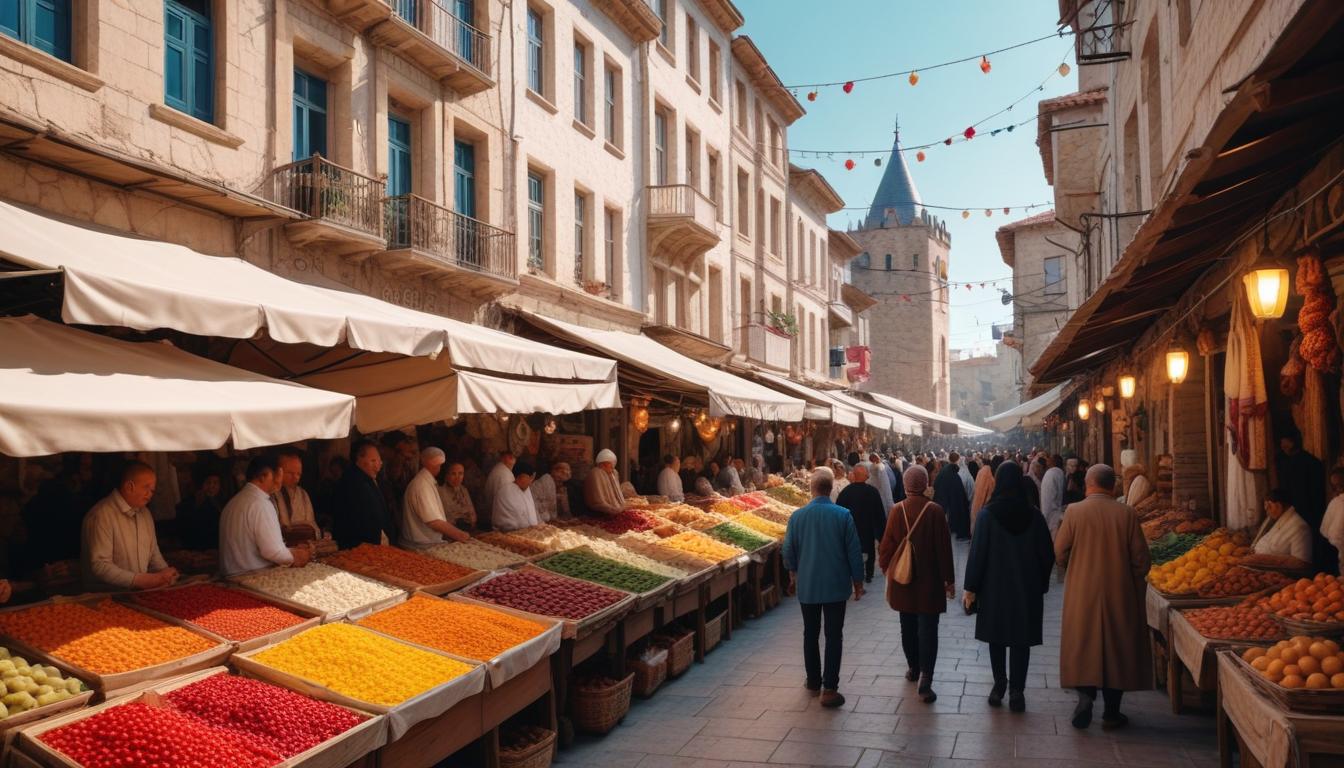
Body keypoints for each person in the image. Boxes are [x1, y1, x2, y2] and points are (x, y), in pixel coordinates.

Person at [1055, 464, 1150, 730]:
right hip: (1118, 590)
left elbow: (1060, 552)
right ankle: (1111, 712)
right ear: (1113, 486)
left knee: (1083, 644)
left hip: (1082, 591)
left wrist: (1076, 566)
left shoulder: (1074, 512)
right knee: (1116, 648)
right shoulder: (1127, 514)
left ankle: (1085, 698)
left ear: (1088, 484)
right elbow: (1142, 560)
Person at [963, 461, 1055, 712]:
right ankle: (1017, 691)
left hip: (994, 589)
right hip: (1026, 589)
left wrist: (970, 588)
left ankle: (999, 685)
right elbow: (1047, 554)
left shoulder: (987, 515)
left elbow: (977, 554)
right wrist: (1040, 583)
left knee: (997, 637)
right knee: (1020, 640)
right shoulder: (1034, 515)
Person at [781, 468, 864, 709]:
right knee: (833, 635)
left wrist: (793, 572)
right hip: (836, 586)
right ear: (830, 489)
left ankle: (813, 681)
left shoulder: (797, 517)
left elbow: (787, 551)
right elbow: (854, 552)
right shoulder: (843, 515)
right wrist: (857, 582)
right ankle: (829, 688)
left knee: (810, 633)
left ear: (812, 489)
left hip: (807, 586)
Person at [878, 465, 955, 703]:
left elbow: (887, 546)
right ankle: (926, 677)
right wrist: (949, 580)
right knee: (928, 629)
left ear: (905, 483)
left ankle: (913, 667)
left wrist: (885, 567)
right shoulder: (935, 511)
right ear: (925, 484)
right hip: (929, 582)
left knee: (907, 625)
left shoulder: (896, 510)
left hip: (904, 581)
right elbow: (944, 549)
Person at [80, 461, 180, 591]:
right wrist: (140, 580)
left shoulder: (145, 514)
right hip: (105, 596)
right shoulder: (101, 515)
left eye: (152, 490)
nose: (150, 494)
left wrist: (165, 574)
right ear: (129, 487)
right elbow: (100, 565)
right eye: (146, 488)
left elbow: (154, 554)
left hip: (137, 594)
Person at [219, 455, 313, 577]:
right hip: (252, 577)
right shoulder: (261, 504)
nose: (279, 481)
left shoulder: (234, 502)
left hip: (231, 576)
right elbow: (273, 551)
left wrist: (291, 551)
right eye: (277, 475)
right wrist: (297, 556)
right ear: (264, 476)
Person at [1276, 431, 1332, 573]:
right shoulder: (1310, 461)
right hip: (1313, 508)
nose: (1282, 446)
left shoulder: (1296, 463)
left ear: (1293, 442)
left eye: (1284, 442)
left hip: (1302, 508)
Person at [401, 448, 470, 548]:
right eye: (440, 465)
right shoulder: (422, 485)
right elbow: (434, 522)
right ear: (435, 465)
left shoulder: (426, 482)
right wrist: (460, 535)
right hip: (421, 545)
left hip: (426, 543)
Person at [333, 440, 395, 549]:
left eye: (379, 461)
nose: (378, 466)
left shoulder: (368, 479)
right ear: (358, 460)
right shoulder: (353, 482)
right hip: (359, 547)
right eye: (373, 461)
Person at [835, 464, 886, 583]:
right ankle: (869, 574)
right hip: (868, 530)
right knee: (869, 551)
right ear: (865, 476)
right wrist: (882, 535)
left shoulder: (846, 492)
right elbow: (880, 514)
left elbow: (838, 511)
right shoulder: (873, 492)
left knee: (852, 552)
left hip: (851, 529)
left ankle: (854, 574)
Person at [1251, 489, 1312, 563]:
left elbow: (1302, 562)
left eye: (1269, 506)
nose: (1267, 511)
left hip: (1278, 572)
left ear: (1279, 506)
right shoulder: (1278, 520)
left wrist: (1261, 559)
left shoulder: (1300, 527)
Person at [273, 450, 318, 543]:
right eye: (290, 473)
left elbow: (312, 525)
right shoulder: (271, 494)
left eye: (298, 474)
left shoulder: (303, 494)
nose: (295, 478)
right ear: (278, 471)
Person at [176, 467, 224, 551]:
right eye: (208, 483)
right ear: (201, 484)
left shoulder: (220, 502)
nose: (212, 486)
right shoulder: (190, 503)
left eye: (216, 483)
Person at [933, 452, 971, 540]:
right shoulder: (954, 475)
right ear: (957, 460)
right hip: (948, 506)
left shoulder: (944, 471)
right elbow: (959, 496)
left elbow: (936, 484)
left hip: (940, 503)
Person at [494, 461, 540, 531]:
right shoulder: (506, 491)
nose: (531, 482)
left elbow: (531, 516)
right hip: (508, 534)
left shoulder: (526, 489)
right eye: (529, 478)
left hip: (528, 532)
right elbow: (516, 522)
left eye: (532, 478)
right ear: (519, 477)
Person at [480, 452, 517, 530]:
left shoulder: (503, 471)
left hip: (497, 516)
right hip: (499, 521)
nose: (512, 459)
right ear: (502, 458)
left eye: (513, 457)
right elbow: (507, 501)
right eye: (509, 456)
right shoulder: (503, 474)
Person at [584, 449, 626, 516]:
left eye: (613, 463)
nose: (612, 466)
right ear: (602, 463)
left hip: (615, 508)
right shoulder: (595, 473)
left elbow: (617, 493)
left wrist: (620, 506)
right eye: (609, 463)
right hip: (599, 512)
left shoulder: (614, 473)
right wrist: (611, 509)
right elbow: (597, 500)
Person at [438, 462, 478, 532]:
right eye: (453, 474)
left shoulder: (463, 490)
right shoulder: (440, 492)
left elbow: (472, 514)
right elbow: (447, 517)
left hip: (468, 530)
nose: (457, 477)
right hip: (451, 531)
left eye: (460, 473)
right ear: (447, 475)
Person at [1322, 468, 1344, 574]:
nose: (1337, 489)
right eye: (1334, 486)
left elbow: (1329, 533)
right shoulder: (1336, 503)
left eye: (1340, 485)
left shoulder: (1337, 503)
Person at [1040, 455, 1067, 536]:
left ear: (1054, 462)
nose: (1047, 460)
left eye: (1050, 459)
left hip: (1051, 516)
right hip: (1055, 515)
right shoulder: (1058, 473)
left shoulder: (1051, 473)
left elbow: (1048, 500)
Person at [969, 460, 996, 535]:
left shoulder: (982, 473)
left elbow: (978, 494)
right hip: (988, 511)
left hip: (981, 511)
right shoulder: (990, 476)